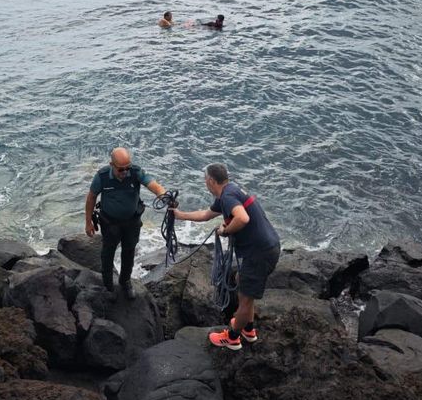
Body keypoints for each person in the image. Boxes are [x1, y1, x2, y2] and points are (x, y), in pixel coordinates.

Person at [172, 163, 279, 350]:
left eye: (205, 180)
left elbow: (242, 218)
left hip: (259, 253)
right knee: (240, 282)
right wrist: (180, 215)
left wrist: (226, 231)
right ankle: (248, 328)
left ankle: (232, 337)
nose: (205, 183)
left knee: (245, 299)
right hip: (266, 247)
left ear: (211, 181)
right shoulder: (229, 192)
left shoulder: (227, 197)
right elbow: (206, 215)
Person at [84, 148, 167, 299]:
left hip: (131, 222)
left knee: (129, 252)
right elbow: (91, 198)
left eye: (127, 168)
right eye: (121, 169)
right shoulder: (102, 176)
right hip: (110, 223)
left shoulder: (135, 172)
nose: (125, 172)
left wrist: (163, 196)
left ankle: (125, 281)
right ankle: (108, 286)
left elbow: (153, 185)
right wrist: (88, 222)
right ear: (112, 165)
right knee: (107, 254)